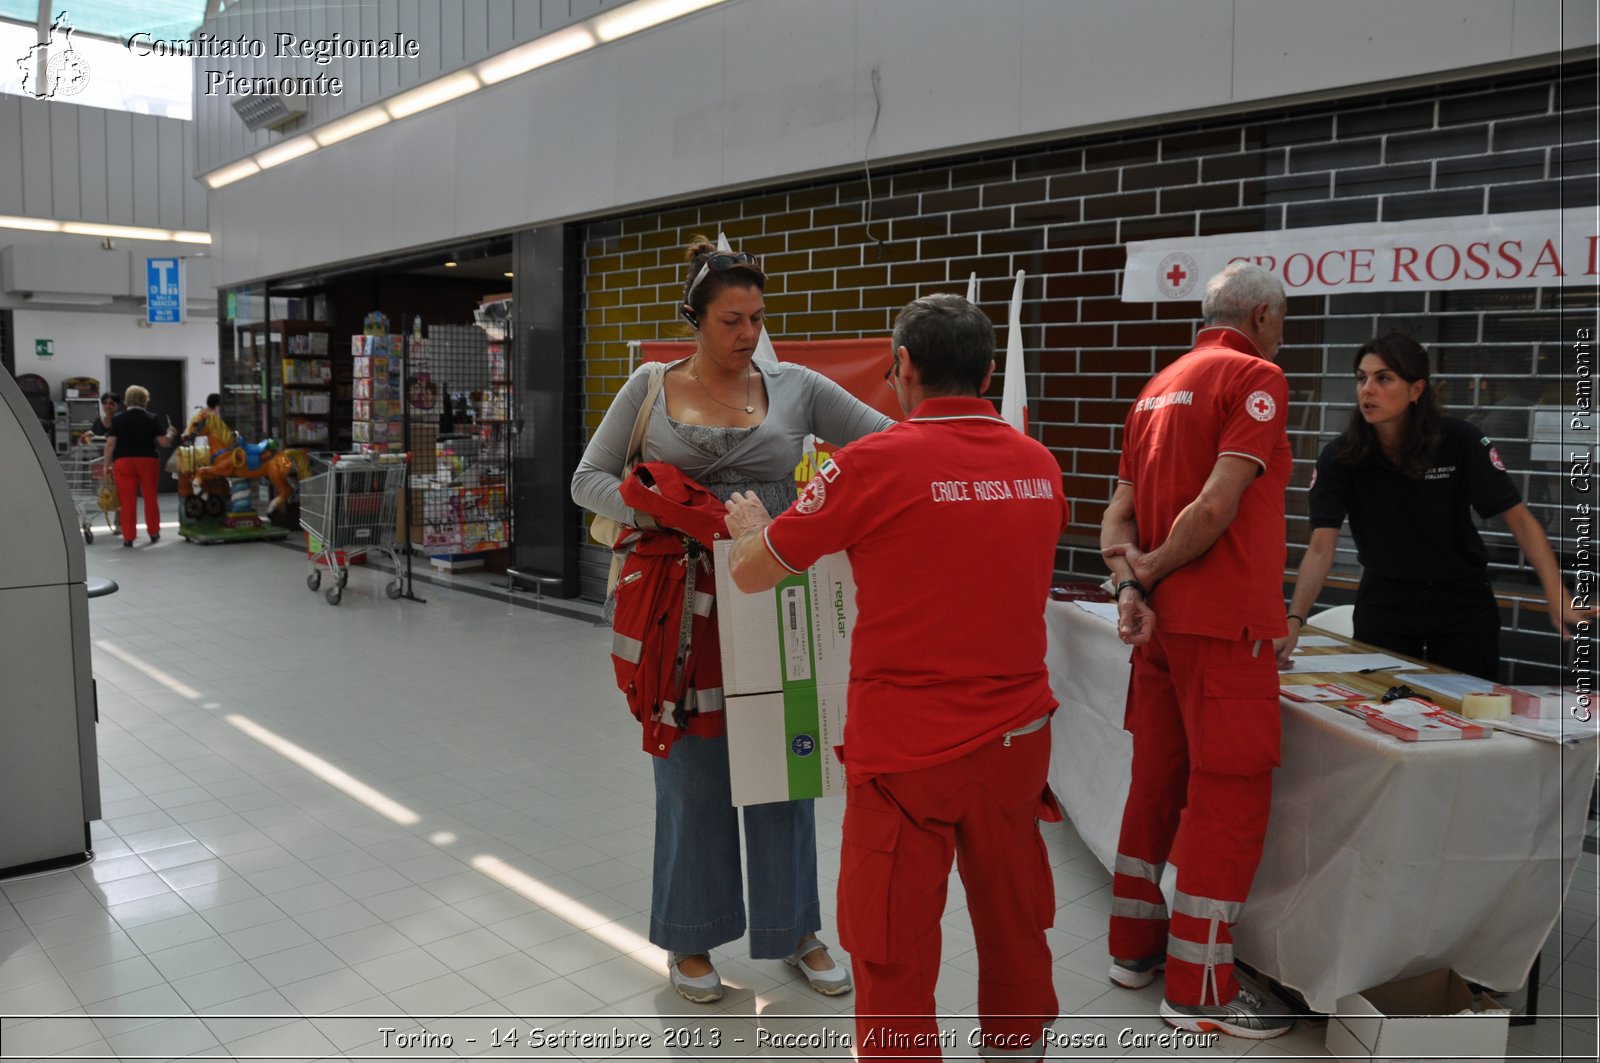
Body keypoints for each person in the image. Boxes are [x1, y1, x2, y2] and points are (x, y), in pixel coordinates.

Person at [724, 294, 1070, 1061]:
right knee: (1016, 921)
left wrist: (752, 529)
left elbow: (753, 574)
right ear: (986, 372)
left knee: (890, 941)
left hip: (907, 756)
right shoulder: (1038, 464)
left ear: (904, 367)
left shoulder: (870, 466)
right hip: (1017, 744)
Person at [570, 236, 890, 1003]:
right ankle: (689, 935)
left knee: (788, 760)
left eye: (756, 318)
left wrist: (820, 508)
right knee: (690, 772)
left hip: (778, 601)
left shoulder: (798, 386)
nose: (747, 334)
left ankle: (794, 929)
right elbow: (590, 478)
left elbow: (885, 445)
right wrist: (661, 519)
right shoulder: (652, 386)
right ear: (695, 320)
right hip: (679, 611)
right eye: (730, 320)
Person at [1099, 262, 1295, 1040]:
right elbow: (1216, 503)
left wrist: (1131, 585)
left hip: (1160, 630)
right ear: (1260, 315)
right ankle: (1201, 986)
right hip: (1225, 627)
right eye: (1282, 321)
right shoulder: (1257, 377)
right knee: (1229, 799)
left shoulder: (1155, 389)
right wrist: (1147, 571)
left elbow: (1116, 516)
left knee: (1155, 782)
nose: (1283, 335)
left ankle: (1134, 950)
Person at [1275, 332, 1596, 677]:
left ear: (1417, 389)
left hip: (1460, 601)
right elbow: (1322, 547)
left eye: (1383, 378)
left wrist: (1557, 595)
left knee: (1471, 708)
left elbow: (1520, 520)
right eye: (1361, 378)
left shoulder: (1459, 441)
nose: (1367, 389)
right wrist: (1295, 618)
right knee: (1379, 710)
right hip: (1386, 600)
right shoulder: (1341, 456)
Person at [104, 385, 175, 547]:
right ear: (145, 401)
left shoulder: (118, 419)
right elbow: (164, 442)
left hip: (124, 461)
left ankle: (128, 536)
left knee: (127, 500)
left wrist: (106, 464)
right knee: (150, 497)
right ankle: (153, 531)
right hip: (148, 460)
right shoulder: (152, 418)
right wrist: (171, 432)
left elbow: (110, 444)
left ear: (127, 400)